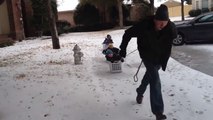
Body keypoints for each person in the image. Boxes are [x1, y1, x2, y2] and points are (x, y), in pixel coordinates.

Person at [119, 4, 177, 120]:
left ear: (167, 21)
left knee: (150, 76)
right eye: (159, 22)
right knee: (155, 79)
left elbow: (172, 38)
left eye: (163, 23)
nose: (161, 25)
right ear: (155, 19)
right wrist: (123, 49)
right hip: (147, 56)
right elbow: (127, 33)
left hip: (159, 58)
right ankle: (158, 112)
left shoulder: (170, 28)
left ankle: (140, 91)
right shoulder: (144, 25)